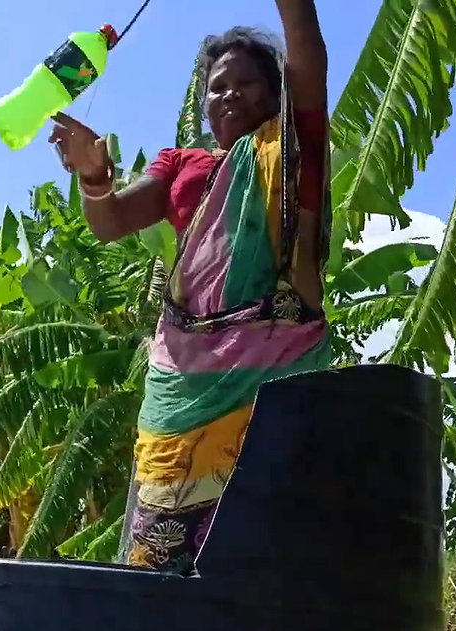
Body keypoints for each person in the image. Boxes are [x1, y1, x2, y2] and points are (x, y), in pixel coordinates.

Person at [48, 1, 330, 575]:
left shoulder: (290, 150)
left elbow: (307, 52)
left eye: (246, 84)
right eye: (216, 87)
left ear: (275, 94)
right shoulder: (182, 163)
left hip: (274, 362)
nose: (228, 95)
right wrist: (92, 174)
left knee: (273, 540)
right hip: (180, 373)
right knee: (161, 546)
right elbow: (109, 223)